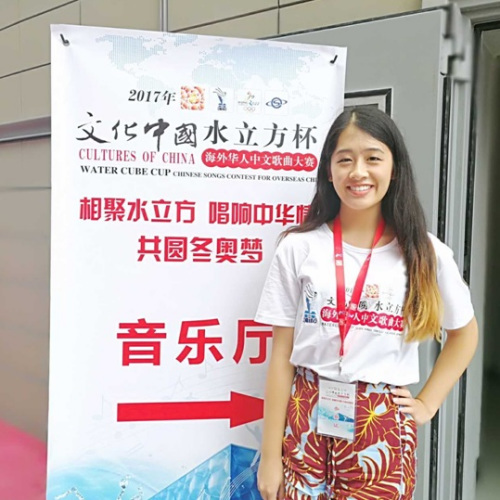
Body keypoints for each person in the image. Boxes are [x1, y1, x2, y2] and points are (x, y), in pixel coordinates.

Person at [254, 107, 478, 500]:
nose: (358, 172)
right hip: (306, 412)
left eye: (373, 158)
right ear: (329, 170)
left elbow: (464, 335)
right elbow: (281, 355)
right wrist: (270, 456)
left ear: (394, 168)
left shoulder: (425, 253)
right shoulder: (298, 247)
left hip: (381, 423)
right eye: (345, 160)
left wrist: (427, 403)